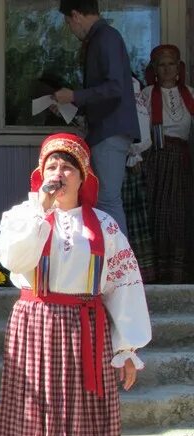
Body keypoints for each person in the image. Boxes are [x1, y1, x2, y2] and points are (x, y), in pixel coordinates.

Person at [0, 133, 151, 436]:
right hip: (36, 324)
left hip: (86, 331)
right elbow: (12, 260)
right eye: (51, 167)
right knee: (36, 431)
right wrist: (40, 213)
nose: (57, 175)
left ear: (83, 177)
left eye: (67, 168)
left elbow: (122, 282)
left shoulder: (104, 226)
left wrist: (128, 347)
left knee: (87, 433)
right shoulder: (22, 216)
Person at [53, 0, 140, 235]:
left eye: (68, 23)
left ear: (76, 15)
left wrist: (75, 95)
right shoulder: (104, 37)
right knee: (104, 199)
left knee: (109, 200)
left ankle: (119, 266)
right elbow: (108, 91)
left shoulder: (105, 37)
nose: (71, 29)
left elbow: (115, 87)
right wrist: (72, 103)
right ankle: (113, 262)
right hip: (107, 128)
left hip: (110, 129)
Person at [140, 44, 194, 283]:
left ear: (178, 68)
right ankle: (156, 272)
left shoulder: (190, 93)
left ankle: (178, 273)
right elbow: (140, 129)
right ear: (155, 69)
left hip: (183, 161)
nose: (167, 69)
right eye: (161, 65)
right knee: (157, 213)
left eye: (171, 63)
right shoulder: (146, 94)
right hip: (157, 161)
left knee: (179, 216)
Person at [121, 74, 154, 282]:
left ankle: (138, 271)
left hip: (128, 159)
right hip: (115, 156)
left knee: (132, 215)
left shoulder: (131, 87)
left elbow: (141, 128)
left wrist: (135, 152)